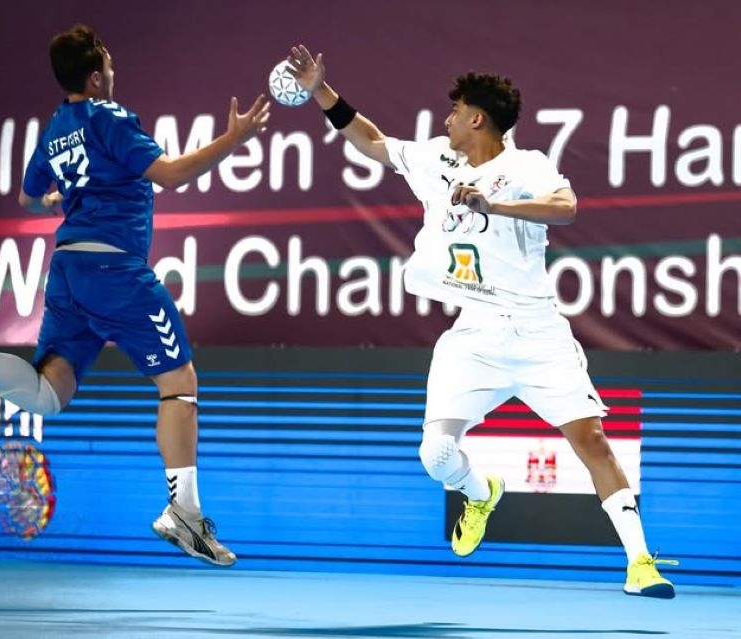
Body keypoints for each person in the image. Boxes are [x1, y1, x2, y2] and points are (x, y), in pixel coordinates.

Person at [285, 44, 677, 598]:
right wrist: (319, 90)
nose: (444, 120)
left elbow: (565, 207)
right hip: (473, 335)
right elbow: (370, 140)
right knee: (436, 455)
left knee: (591, 439)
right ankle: (480, 490)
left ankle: (640, 564)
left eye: (453, 112)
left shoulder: (525, 166)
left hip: (537, 330)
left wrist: (496, 207)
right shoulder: (436, 161)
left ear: (477, 118)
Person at [0, 24, 270, 567]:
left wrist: (60, 195)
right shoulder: (110, 116)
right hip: (115, 269)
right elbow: (169, 175)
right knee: (180, 384)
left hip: (69, 270)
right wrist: (233, 140)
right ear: (96, 77)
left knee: (49, 395)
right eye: (111, 67)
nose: (115, 74)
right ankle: (185, 514)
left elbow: (29, 198)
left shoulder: (55, 129)